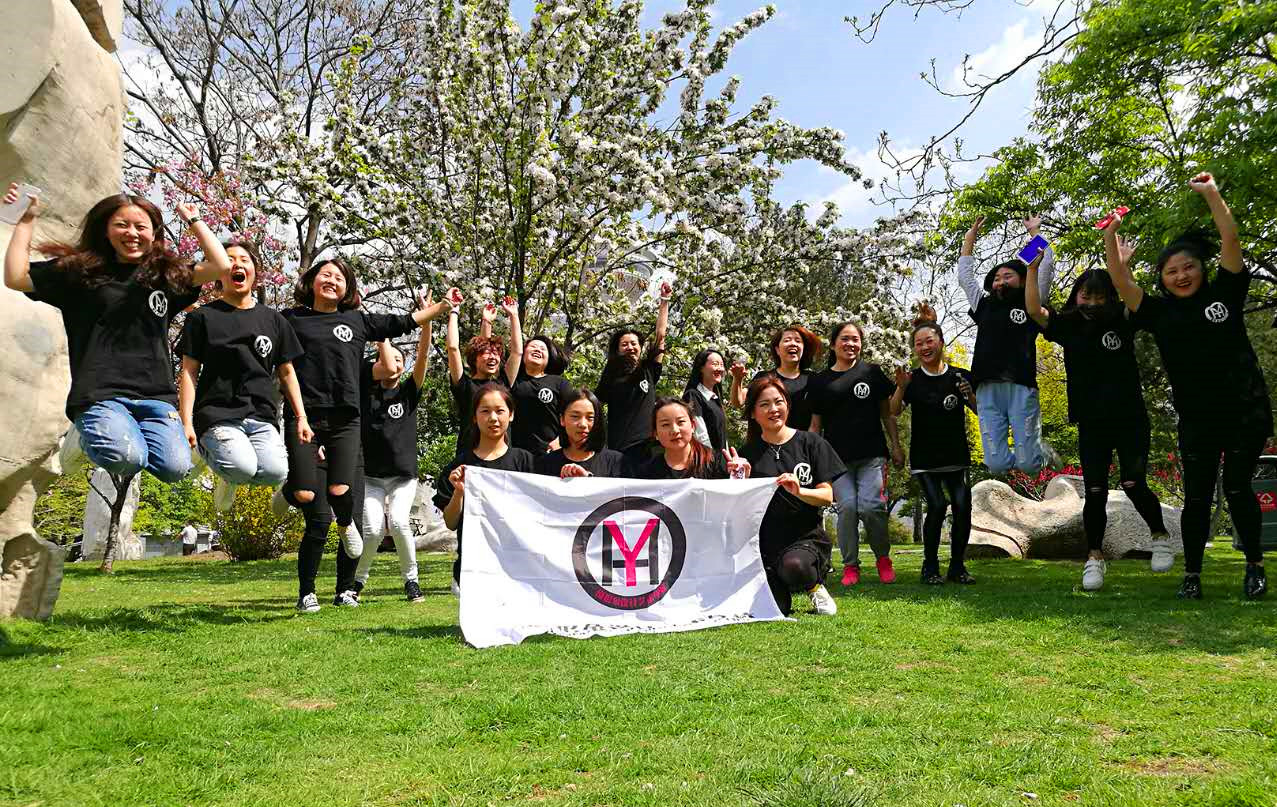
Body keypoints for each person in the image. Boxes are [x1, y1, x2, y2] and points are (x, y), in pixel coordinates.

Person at [1106, 173, 1270, 600]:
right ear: (1162, 278)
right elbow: (1121, 282)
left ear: (1201, 268)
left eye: (1188, 267)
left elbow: (1230, 239)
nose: (1181, 276)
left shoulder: (1224, 294)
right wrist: (1110, 238)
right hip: (1198, 418)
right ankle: (1192, 575)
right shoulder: (1158, 313)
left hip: (1245, 410)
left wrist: (1213, 194)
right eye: (1171, 271)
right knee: (1196, 498)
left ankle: (1254, 566)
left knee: (1238, 487)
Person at [3, 184, 231, 483]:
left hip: (157, 396)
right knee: (127, 459)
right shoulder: (80, 273)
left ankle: (103, 434)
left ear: (154, 233)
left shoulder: (166, 276)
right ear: (105, 230)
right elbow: (16, 277)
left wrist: (193, 219)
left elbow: (220, 265)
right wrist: (27, 220)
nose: (132, 233)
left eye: (141, 226)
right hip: (100, 393)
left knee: (175, 469)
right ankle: (86, 433)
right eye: (122, 225)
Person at [279, 256, 451, 607]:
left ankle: (345, 588)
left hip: (344, 425)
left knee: (347, 510)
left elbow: (401, 324)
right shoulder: (290, 319)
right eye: (325, 274)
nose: (331, 280)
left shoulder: (355, 325)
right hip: (306, 419)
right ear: (311, 281)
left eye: (339, 277)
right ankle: (306, 589)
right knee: (312, 507)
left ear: (348, 289)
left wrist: (438, 309)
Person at [1024, 252, 1171, 591]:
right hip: (1092, 422)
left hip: (1131, 418)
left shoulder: (1122, 318)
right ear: (1076, 295)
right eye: (1085, 295)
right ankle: (1094, 558)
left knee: (1133, 484)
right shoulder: (1067, 324)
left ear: (1110, 297)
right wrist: (1032, 264)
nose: (1091, 303)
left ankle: (1160, 536)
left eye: (1099, 296)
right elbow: (1033, 309)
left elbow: (1132, 295)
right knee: (1094, 491)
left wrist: (1123, 265)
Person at [177, 240, 310, 512]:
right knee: (242, 468)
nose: (237, 264)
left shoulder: (274, 321)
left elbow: (287, 372)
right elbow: (189, 372)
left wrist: (301, 417)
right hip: (217, 413)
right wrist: (186, 421)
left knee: (275, 473)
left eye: (244, 259)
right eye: (229, 260)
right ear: (218, 271)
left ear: (255, 271)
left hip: (261, 414)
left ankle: (229, 476)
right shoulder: (202, 317)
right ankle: (217, 462)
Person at [352, 293, 440, 604]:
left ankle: (411, 582)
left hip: (403, 477)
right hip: (371, 477)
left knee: (400, 522)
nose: (395, 364)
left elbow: (423, 355)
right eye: (390, 359)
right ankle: (357, 582)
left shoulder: (408, 393)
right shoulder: (365, 393)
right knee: (373, 530)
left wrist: (426, 318)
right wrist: (381, 338)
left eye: (400, 361)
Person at [957, 214, 1056, 475]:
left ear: (1022, 279)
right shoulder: (983, 304)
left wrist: (1034, 233)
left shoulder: (1031, 302)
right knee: (997, 465)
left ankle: (1040, 451)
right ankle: (1027, 452)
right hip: (987, 388)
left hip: (1021, 385)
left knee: (1029, 464)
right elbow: (966, 278)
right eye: (996, 278)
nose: (1000, 281)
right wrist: (969, 241)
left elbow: (1044, 265)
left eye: (1008, 276)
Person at [739, 376, 843, 616]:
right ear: (753, 413)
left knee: (794, 565)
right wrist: (738, 478)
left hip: (805, 539)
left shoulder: (811, 442)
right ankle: (776, 582)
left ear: (787, 404)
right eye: (764, 404)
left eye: (779, 402)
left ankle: (815, 586)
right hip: (763, 545)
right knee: (775, 609)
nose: (773, 409)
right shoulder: (747, 454)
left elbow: (827, 496)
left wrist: (799, 491)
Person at [889, 308, 978, 585]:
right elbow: (893, 411)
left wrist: (970, 396)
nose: (924, 347)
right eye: (919, 344)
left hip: (956, 456)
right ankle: (929, 567)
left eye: (929, 341)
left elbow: (980, 411)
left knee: (962, 507)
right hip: (925, 459)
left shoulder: (960, 376)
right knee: (937, 506)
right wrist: (901, 388)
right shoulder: (912, 379)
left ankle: (957, 567)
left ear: (941, 342)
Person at [810, 321, 902, 586]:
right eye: (845, 339)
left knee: (872, 507)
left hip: (873, 455)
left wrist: (896, 446)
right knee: (848, 508)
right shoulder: (821, 381)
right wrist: (812, 460)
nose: (850, 344)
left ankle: (883, 558)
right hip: (836, 461)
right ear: (833, 344)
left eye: (855, 339)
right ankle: (851, 565)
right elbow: (815, 426)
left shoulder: (872, 373)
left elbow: (887, 414)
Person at [436, 384, 536, 592]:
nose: (493, 418)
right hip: (474, 567)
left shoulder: (526, 463)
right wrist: (459, 492)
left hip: (520, 568)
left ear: (511, 415)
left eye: (500, 411)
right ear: (474, 417)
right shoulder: (460, 467)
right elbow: (451, 523)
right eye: (485, 411)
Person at [597, 281, 672, 463]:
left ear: (640, 347)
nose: (630, 347)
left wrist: (664, 301)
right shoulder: (612, 373)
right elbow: (596, 401)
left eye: (633, 343)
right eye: (624, 344)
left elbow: (660, 336)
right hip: (619, 446)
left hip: (647, 445)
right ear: (617, 350)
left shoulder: (649, 370)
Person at [447, 295, 523, 451]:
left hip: (502, 459)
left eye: (496, 353)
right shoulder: (465, 385)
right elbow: (453, 348)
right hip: (470, 457)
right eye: (487, 353)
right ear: (474, 359)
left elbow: (517, 352)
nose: (493, 357)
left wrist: (514, 315)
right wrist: (453, 312)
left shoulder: (502, 384)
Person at [730, 324, 822, 430]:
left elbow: (815, 424)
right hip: (766, 438)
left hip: (799, 439)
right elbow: (738, 402)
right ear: (777, 350)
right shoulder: (763, 377)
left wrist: (809, 441)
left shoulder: (812, 379)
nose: (793, 344)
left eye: (798, 341)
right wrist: (737, 379)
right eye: (787, 340)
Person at [632, 397, 751, 480]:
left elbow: (734, 498)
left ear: (693, 426)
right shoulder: (647, 472)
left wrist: (740, 476)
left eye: (680, 422)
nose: (674, 430)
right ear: (655, 433)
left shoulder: (716, 462)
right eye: (665, 424)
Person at [534, 388, 628, 478]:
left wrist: (587, 479)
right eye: (575, 416)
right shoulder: (544, 464)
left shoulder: (617, 462)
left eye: (590, 417)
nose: (583, 424)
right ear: (562, 419)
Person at [511, 334, 572, 454]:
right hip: (516, 453)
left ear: (549, 358)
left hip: (550, 453)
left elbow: (571, 414)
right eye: (533, 346)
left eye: (543, 349)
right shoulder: (513, 380)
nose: (538, 350)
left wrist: (560, 440)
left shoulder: (559, 383)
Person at [682, 348, 729, 452]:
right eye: (715, 364)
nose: (720, 369)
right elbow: (700, 435)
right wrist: (710, 458)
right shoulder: (693, 395)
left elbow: (722, 436)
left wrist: (728, 458)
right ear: (701, 368)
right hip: (706, 458)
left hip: (721, 459)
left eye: (722, 365)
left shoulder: (715, 399)